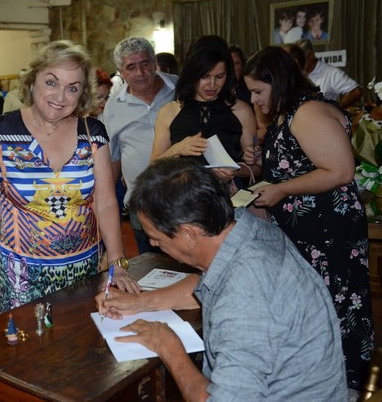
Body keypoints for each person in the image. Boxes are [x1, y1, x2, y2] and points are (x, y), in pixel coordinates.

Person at [96, 157, 347, 401]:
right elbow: (209, 283)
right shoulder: (243, 227)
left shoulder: (245, 294)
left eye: (157, 238)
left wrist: (169, 347)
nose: (152, 243)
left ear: (188, 234)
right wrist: (141, 302)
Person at [244, 46, 373, 394]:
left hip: (329, 233)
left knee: (336, 306)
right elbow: (295, 164)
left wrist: (282, 190)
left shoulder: (309, 112)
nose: (254, 100)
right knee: (315, 311)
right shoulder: (288, 114)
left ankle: (342, 387)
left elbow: (341, 171)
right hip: (310, 233)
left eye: (258, 91)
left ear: (279, 82)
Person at [0, 40, 139, 313]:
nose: (60, 96)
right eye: (51, 82)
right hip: (22, 277)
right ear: (32, 82)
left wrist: (117, 262)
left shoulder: (92, 134)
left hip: (84, 271)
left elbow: (105, 202)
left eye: (72, 88)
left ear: (82, 94)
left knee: (83, 345)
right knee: (28, 348)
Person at [103, 36, 178, 254]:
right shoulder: (114, 106)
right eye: (131, 67)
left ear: (154, 62)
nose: (140, 73)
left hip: (185, 196)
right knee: (152, 269)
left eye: (145, 64)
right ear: (120, 72)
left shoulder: (180, 88)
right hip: (142, 203)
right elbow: (113, 159)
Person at [150, 35, 258, 185]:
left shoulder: (241, 110)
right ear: (192, 73)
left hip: (227, 201)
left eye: (219, 76)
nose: (212, 85)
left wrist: (236, 169)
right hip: (182, 202)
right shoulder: (170, 112)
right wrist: (178, 149)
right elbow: (153, 167)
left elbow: (256, 167)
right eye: (205, 76)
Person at [296, 38, 363, 108]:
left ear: (310, 55)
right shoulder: (296, 73)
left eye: (301, 58)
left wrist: (336, 109)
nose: (297, 63)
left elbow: (356, 91)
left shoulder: (330, 73)